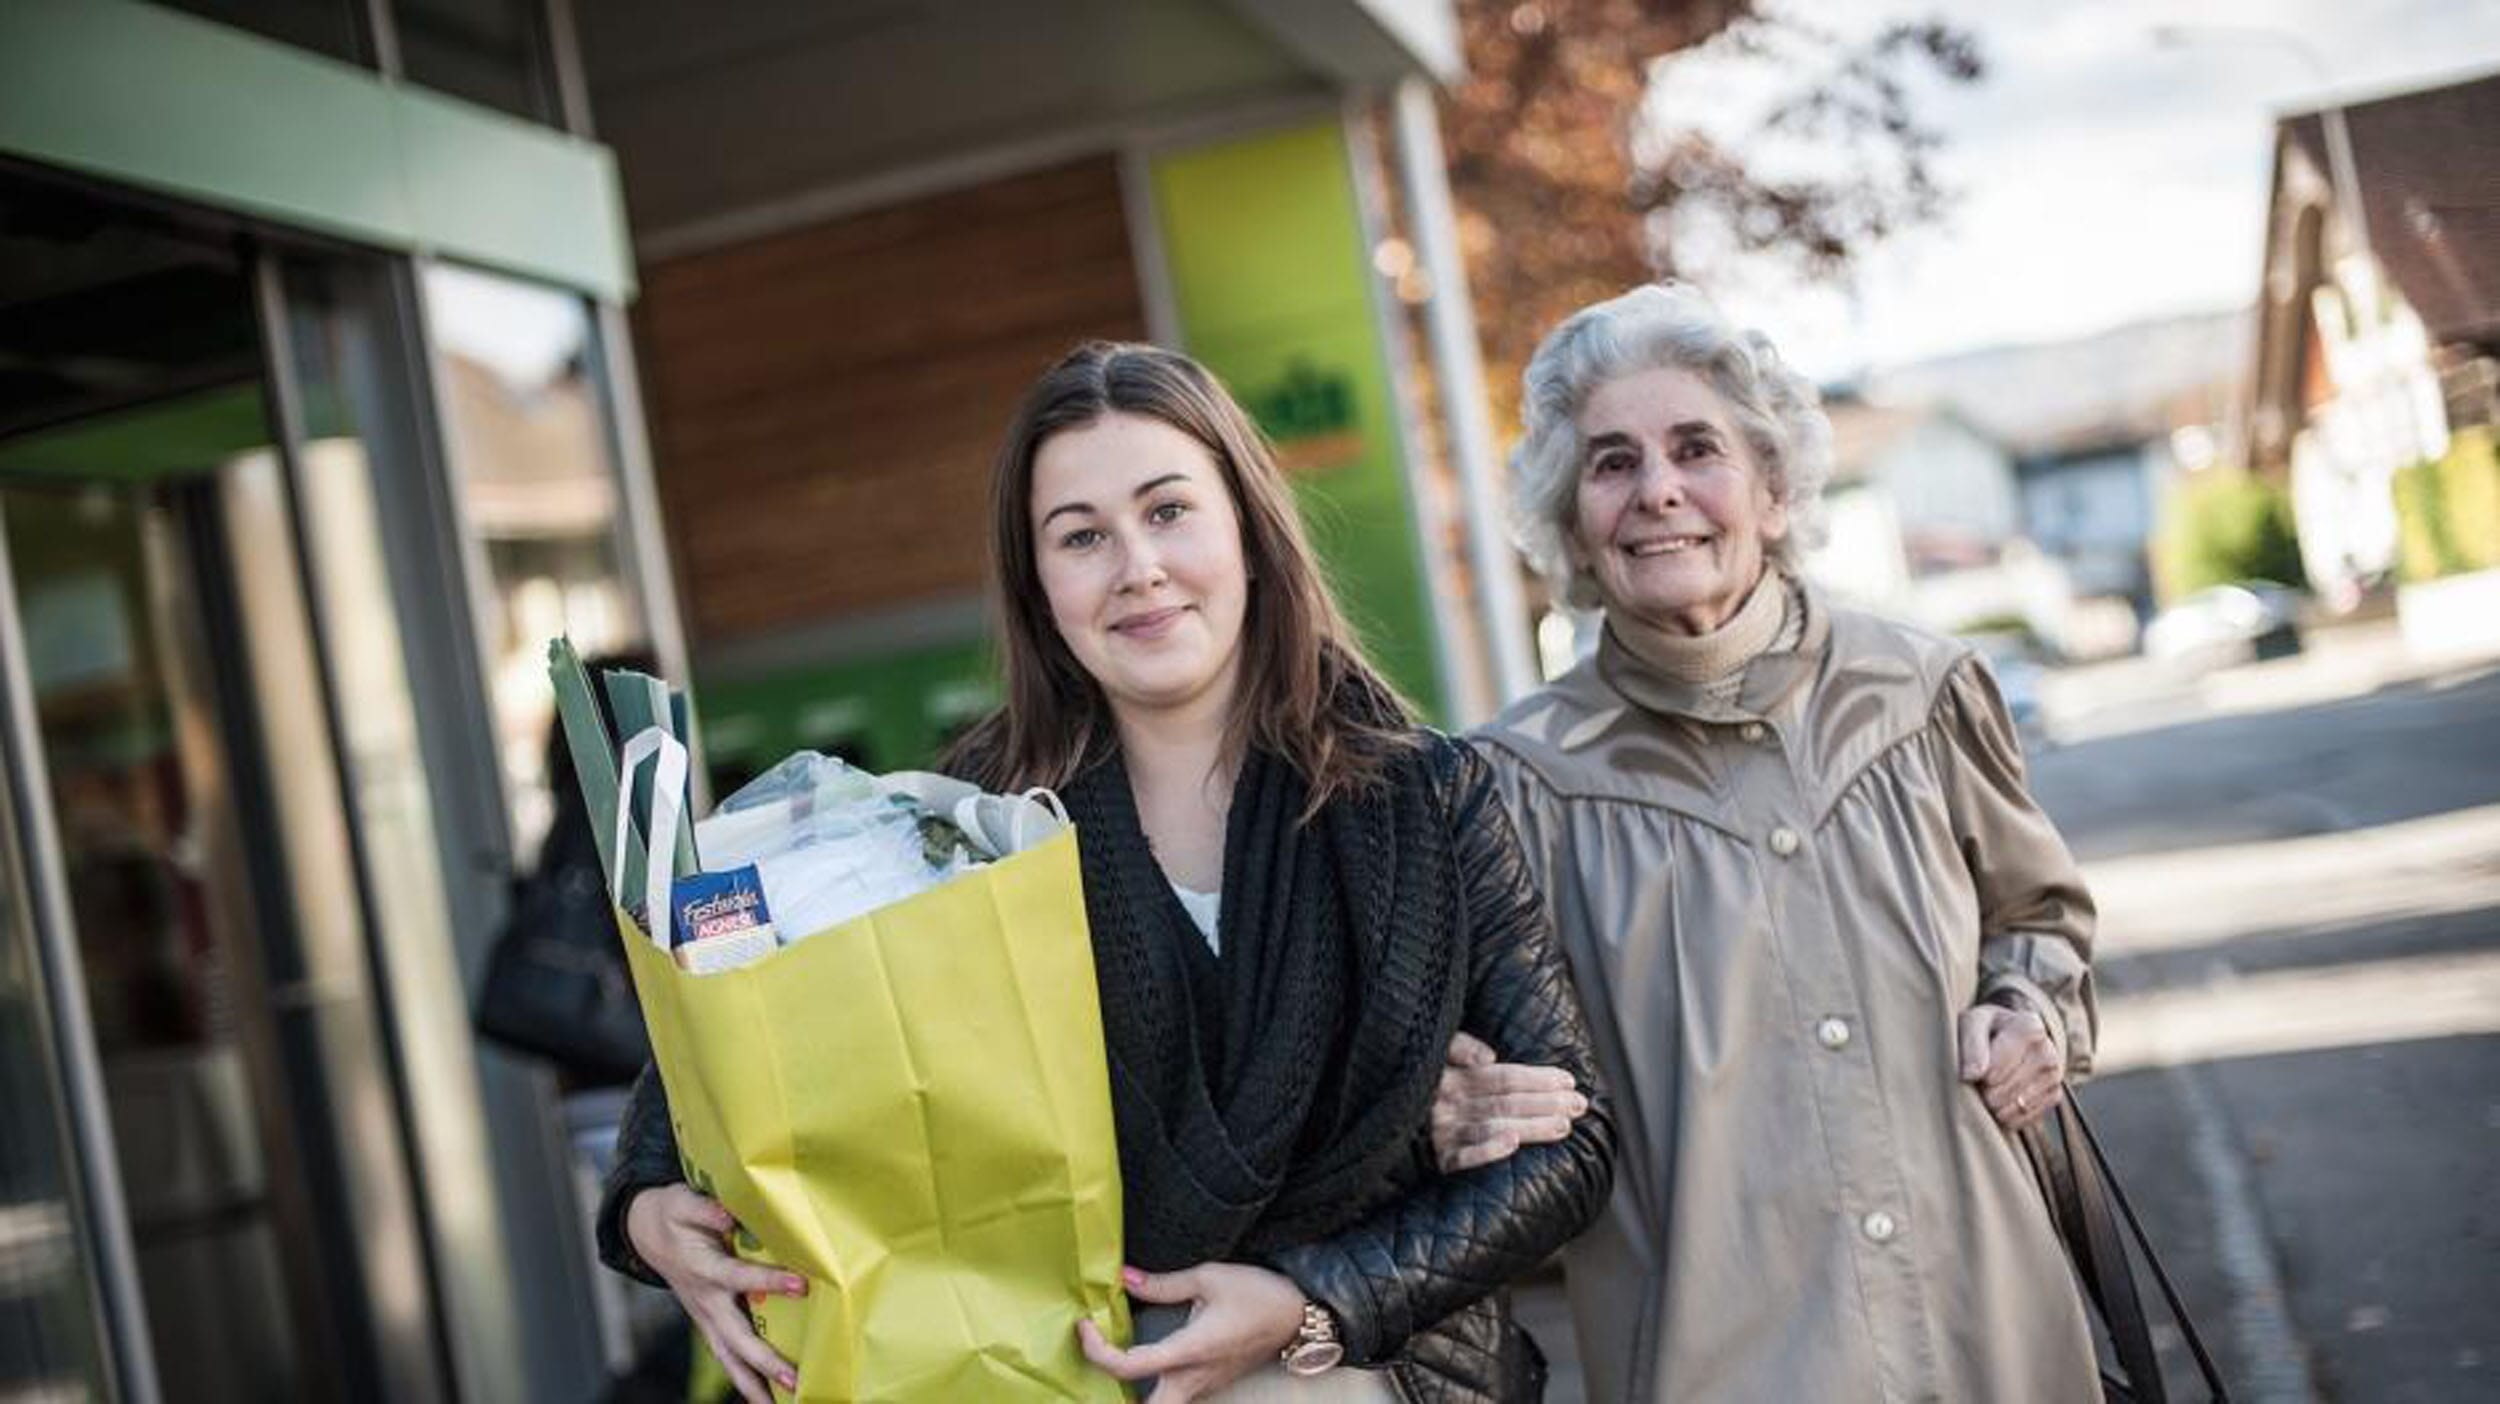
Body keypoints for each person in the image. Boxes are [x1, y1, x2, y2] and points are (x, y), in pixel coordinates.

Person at [595, 342, 1616, 1403]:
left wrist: (1317, 1300)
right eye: (1081, 536)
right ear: (1038, 585)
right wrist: (645, 1207)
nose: (1138, 567)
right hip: (1066, 1372)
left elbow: (1571, 1150)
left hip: (1381, 1375)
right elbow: (721, 1048)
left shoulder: (1423, 799)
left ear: (1249, 532)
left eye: (1169, 511)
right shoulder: (958, 827)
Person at [1454, 282, 2101, 1401]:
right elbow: (1478, 1086)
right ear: (1570, 522)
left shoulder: (1923, 694)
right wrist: (1453, 1109)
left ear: (1772, 486)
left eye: (1694, 448)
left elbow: (2039, 921)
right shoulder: (1514, 789)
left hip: (1989, 1330)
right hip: (1716, 1363)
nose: (1657, 490)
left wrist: (2031, 1010)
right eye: (1610, 463)